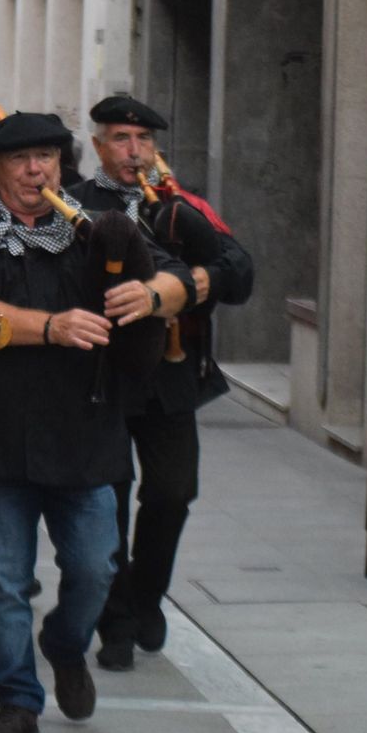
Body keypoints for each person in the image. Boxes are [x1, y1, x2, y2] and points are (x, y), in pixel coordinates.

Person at [0, 111, 190, 733]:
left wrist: (151, 296)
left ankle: (64, 642)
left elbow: (176, 275)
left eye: (47, 157)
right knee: (3, 582)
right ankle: (17, 702)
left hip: (87, 431)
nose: (36, 171)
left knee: (96, 569)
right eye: (20, 160)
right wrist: (51, 326)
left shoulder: (98, 230)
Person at [68, 95, 254, 672]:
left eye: (144, 140)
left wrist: (192, 283)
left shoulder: (180, 204)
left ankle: (147, 595)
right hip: (102, 376)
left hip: (170, 376)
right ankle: (116, 622)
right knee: (109, 502)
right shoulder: (74, 202)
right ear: (99, 146)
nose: (135, 151)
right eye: (121, 139)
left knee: (173, 492)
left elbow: (239, 273)